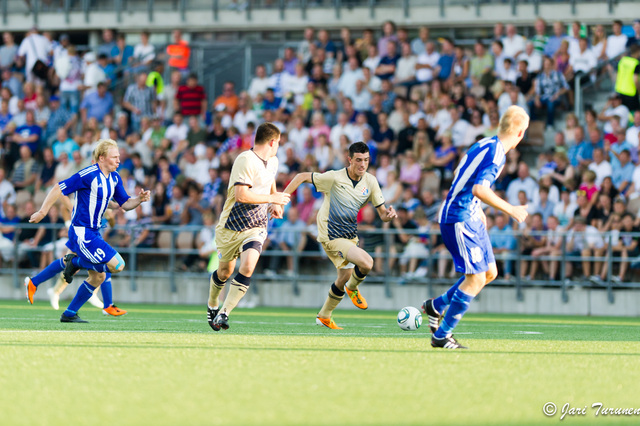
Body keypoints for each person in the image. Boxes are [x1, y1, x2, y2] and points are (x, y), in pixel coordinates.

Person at [422, 106, 530, 349]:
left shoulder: (485, 143)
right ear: (520, 133)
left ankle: (436, 305)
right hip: (459, 217)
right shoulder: (497, 154)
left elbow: (463, 175)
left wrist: (478, 207)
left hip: (469, 213)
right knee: (476, 278)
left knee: (490, 273)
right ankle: (442, 335)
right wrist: (511, 209)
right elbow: (479, 188)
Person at [24, 139, 151, 323]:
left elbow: (125, 204)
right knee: (117, 265)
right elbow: (59, 187)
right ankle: (76, 265)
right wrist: (42, 211)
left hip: (94, 231)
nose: (118, 161)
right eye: (114, 157)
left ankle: (69, 313)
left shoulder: (114, 178)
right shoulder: (88, 174)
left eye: (119, 157)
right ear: (101, 158)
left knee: (98, 276)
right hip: (82, 231)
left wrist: (139, 200)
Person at [283, 142, 397, 329]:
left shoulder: (371, 181)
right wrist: (282, 200)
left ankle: (324, 315)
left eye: (366, 160)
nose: (363, 165)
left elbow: (383, 215)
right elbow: (301, 176)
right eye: (359, 160)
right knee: (367, 262)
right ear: (349, 159)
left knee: (344, 276)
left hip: (349, 236)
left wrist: (389, 215)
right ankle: (352, 288)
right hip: (330, 235)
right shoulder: (334, 177)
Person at [205, 123, 290, 331]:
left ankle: (224, 313)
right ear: (272, 142)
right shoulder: (245, 160)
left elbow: (270, 182)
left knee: (249, 266)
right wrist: (272, 197)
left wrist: (275, 203)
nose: (278, 146)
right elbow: (241, 196)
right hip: (231, 225)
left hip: (257, 224)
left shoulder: (273, 161)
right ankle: (212, 304)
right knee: (225, 272)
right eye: (278, 142)